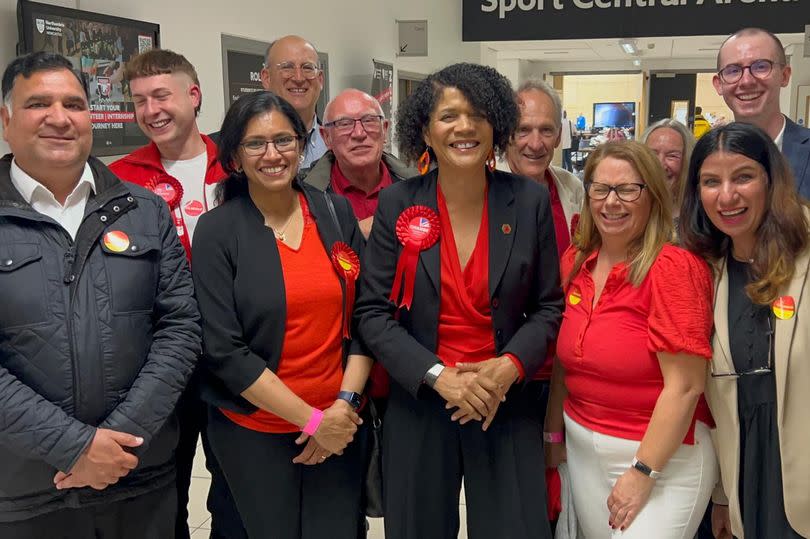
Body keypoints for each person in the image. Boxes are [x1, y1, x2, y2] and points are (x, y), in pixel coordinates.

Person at [355, 62, 563, 539]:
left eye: (477, 114)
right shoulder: (398, 204)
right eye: (448, 116)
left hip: (503, 401)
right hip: (423, 402)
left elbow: (550, 307)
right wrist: (439, 377)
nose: (464, 127)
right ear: (425, 130)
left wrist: (507, 366)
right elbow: (372, 313)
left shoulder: (528, 201)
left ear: (497, 127)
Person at [0, 51, 200, 537]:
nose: (59, 117)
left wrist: (119, 444)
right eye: (38, 104)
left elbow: (180, 328)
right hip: (27, 490)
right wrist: (75, 448)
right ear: (5, 121)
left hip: (141, 477)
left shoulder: (144, 211)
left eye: (73, 103)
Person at [192, 90, 371, 539]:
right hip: (258, 431)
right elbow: (224, 350)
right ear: (234, 156)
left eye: (284, 140)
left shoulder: (334, 211)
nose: (272, 154)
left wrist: (340, 411)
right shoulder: (218, 231)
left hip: (342, 421)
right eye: (256, 143)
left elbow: (368, 317)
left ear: (302, 144)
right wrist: (311, 422)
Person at [545, 141, 718, 538]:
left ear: (653, 195)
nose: (612, 202)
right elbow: (562, 363)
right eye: (601, 189)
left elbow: (687, 387)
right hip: (584, 450)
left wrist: (643, 472)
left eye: (628, 190)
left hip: (663, 460)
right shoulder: (576, 261)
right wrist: (553, 436)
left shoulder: (673, 268)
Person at [107, 49, 241, 539]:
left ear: (194, 95)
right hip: (160, 361)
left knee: (235, 486)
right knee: (165, 488)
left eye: (161, 95)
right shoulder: (118, 178)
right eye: (139, 100)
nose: (151, 110)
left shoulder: (237, 166)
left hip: (236, 355)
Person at [680, 122, 810, 539]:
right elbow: (716, 398)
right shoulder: (707, 270)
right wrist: (720, 494)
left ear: (771, 180)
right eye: (711, 182)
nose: (727, 196)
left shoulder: (805, 252)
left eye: (743, 177)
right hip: (744, 471)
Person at [504, 79, 583, 468]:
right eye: (523, 130)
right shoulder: (482, 190)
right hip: (505, 369)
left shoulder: (572, 190)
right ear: (506, 132)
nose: (535, 143)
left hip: (564, 369)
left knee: (559, 482)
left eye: (546, 130)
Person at [303, 88, 416, 239]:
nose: (359, 133)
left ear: (385, 130)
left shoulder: (418, 186)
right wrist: (356, 232)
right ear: (326, 137)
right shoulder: (303, 195)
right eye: (344, 124)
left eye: (369, 120)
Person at [714, 27, 810, 198]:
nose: (746, 81)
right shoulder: (708, 160)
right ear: (719, 84)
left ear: (784, 75)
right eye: (733, 70)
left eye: (760, 67)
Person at [261, 35, 327, 168]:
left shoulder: (339, 146)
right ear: (266, 78)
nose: (298, 78)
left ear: (320, 79)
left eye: (307, 68)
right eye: (287, 67)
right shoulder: (231, 147)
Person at [639, 118, 695, 223]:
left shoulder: (697, 218)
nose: (660, 164)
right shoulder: (629, 212)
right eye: (652, 154)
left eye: (672, 156)